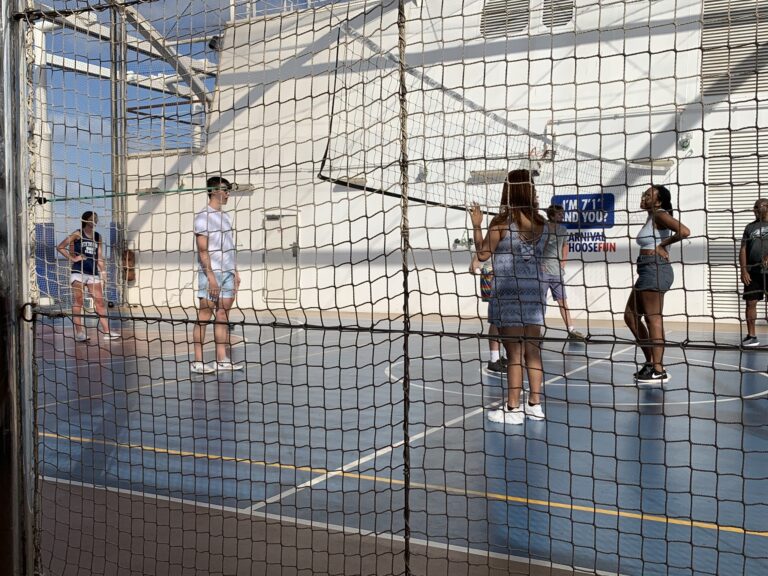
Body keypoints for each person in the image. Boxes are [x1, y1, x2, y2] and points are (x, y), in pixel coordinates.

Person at [470, 169, 549, 425]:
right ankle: (534, 404)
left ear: (509, 190)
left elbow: (483, 255)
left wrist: (477, 225)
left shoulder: (501, 223)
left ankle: (513, 409)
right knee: (533, 352)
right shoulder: (542, 224)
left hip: (509, 293)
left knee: (514, 354)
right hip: (535, 293)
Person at [623, 185, 689, 384]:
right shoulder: (652, 216)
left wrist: (661, 245)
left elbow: (684, 231)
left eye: (649, 195)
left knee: (653, 319)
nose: (644, 197)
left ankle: (658, 369)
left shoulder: (660, 214)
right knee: (631, 316)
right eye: (644, 194)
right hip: (647, 269)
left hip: (655, 269)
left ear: (659, 201)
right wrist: (662, 244)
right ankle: (651, 362)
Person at [192, 176, 244, 373]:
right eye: (225, 190)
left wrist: (235, 271)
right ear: (213, 191)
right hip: (210, 274)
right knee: (204, 315)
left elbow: (229, 247)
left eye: (229, 190)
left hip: (228, 272)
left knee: (223, 315)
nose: (228, 194)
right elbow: (203, 250)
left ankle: (221, 359)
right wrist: (211, 277)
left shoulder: (226, 217)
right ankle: (197, 361)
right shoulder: (202, 217)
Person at [57, 211, 121, 341]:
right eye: (92, 219)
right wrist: (73, 258)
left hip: (93, 273)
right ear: (86, 220)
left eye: (96, 219)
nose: (94, 221)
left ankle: (107, 332)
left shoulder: (98, 236)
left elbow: (99, 257)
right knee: (79, 302)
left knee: (99, 302)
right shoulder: (77, 233)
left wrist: (103, 272)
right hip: (78, 272)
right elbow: (60, 247)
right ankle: (79, 333)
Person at [542, 204, 585, 340]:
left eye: (562, 213)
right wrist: (539, 264)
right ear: (552, 215)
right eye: (559, 214)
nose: (562, 216)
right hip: (542, 272)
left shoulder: (563, 229)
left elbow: (566, 245)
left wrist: (563, 261)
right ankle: (537, 331)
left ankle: (571, 330)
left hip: (557, 272)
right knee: (540, 303)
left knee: (563, 301)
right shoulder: (543, 228)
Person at [469, 257, 507, 374]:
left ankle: (505, 356)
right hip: (493, 274)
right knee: (498, 317)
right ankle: (494, 360)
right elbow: (484, 249)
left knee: (506, 317)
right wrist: (475, 260)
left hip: (501, 274)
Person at [739, 198, 768, 347]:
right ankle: (751, 336)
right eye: (754, 207)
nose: (755, 209)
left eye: (758, 207)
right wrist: (744, 270)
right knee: (751, 303)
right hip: (753, 272)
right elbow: (743, 249)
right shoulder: (750, 227)